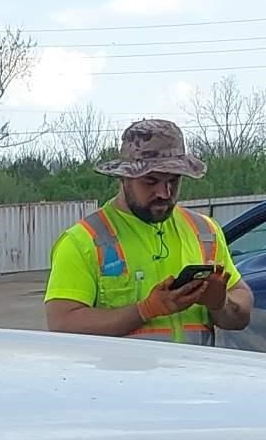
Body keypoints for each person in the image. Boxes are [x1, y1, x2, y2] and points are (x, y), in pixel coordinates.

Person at [44, 119, 251, 343]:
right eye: (150, 181)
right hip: (121, 379)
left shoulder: (205, 231)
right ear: (124, 178)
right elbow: (62, 324)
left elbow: (242, 309)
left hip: (193, 376)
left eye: (173, 181)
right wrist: (144, 310)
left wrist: (220, 304)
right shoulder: (83, 241)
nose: (164, 192)